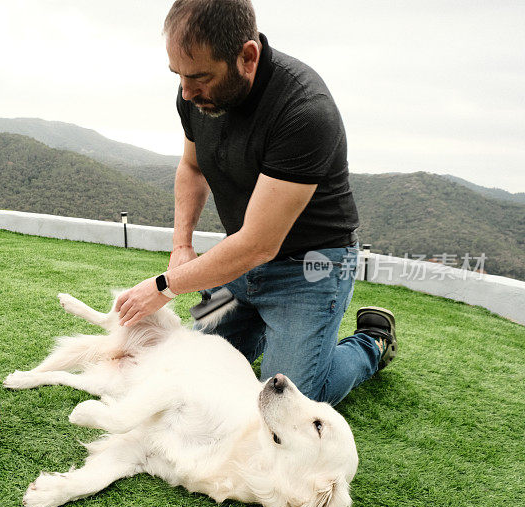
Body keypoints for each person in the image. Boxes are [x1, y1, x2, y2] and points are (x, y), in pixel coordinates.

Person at [115, 0, 398, 405]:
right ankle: (267, 327)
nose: (186, 92)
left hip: (311, 270)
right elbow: (192, 167)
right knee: (193, 365)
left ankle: (371, 342)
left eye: (199, 77)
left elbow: (260, 244)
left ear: (247, 56)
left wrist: (164, 286)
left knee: (285, 400)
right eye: (178, 75)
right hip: (236, 271)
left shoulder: (304, 110)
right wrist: (181, 246)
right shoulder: (194, 96)